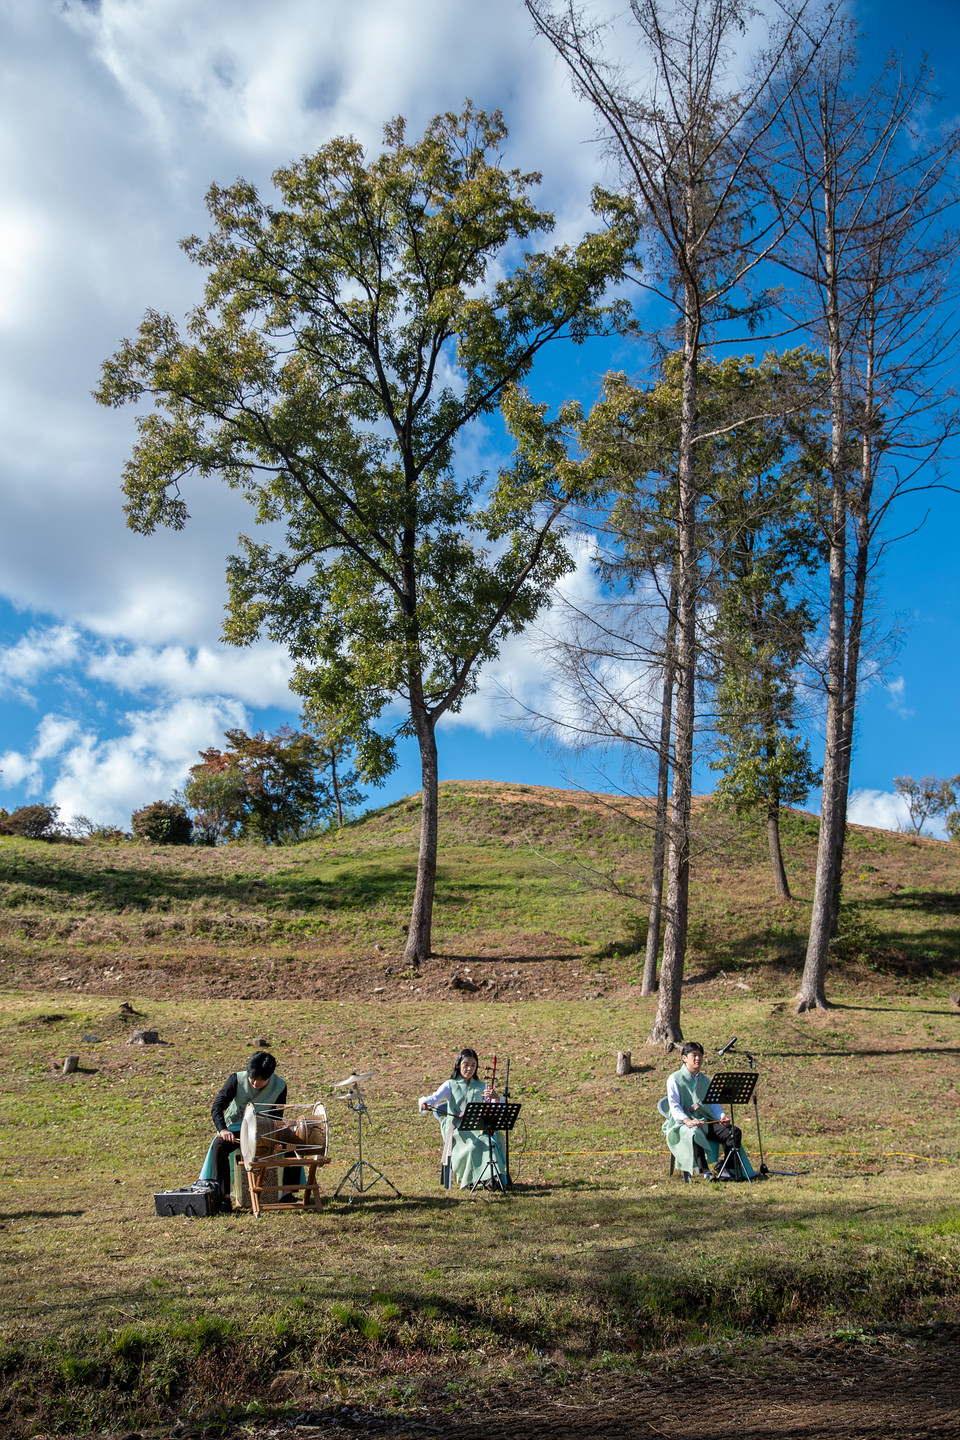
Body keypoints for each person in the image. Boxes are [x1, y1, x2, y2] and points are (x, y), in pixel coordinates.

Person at [199, 1050, 292, 1208]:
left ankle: (287, 1193)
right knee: (219, 1146)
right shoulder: (236, 1079)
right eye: (252, 1079)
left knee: (292, 1142)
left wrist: (276, 1133)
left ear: (270, 1076)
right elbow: (217, 1107)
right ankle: (224, 1197)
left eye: (260, 1081)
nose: (255, 1084)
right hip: (237, 1128)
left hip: (264, 1130)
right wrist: (223, 1130)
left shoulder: (280, 1086)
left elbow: (277, 1117)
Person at [662, 1041, 755, 1181]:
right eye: (694, 1055)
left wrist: (722, 1116)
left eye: (700, 1055)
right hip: (682, 1123)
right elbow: (674, 1106)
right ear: (684, 1058)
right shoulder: (674, 1079)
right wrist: (687, 1120)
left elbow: (714, 1105)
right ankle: (705, 1171)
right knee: (693, 1132)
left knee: (733, 1132)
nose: (697, 1059)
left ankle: (725, 1169)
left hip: (705, 1121)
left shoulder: (706, 1081)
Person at [418, 1047, 505, 1189]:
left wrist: (495, 1097)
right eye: (466, 1065)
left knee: (491, 1143)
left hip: (476, 1127)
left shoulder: (481, 1086)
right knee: (472, 1147)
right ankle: (470, 1180)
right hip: (457, 1129)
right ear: (459, 1064)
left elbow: (495, 1108)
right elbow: (434, 1098)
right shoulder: (450, 1085)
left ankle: (492, 1178)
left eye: (473, 1065)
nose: (469, 1069)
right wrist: (425, 1104)